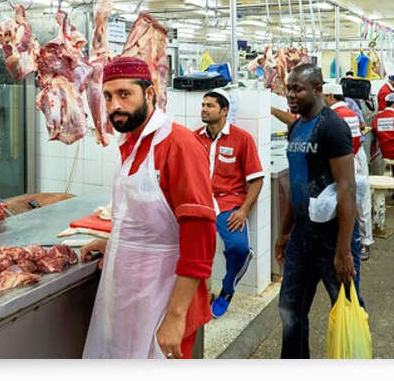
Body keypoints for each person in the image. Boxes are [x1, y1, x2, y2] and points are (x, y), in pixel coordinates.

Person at [80, 56, 217, 359]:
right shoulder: (130, 143)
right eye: (108, 96)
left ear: (150, 94)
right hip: (125, 289)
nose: (114, 105)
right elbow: (141, 219)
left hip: (164, 293)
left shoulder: (178, 144)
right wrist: (114, 243)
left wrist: (176, 315)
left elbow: (200, 239)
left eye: (124, 94)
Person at [275, 64, 362, 359]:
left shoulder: (332, 126)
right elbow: (297, 185)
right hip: (301, 237)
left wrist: (343, 251)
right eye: (288, 88)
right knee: (290, 306)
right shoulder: (296, 127)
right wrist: (285, 232)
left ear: (317, 90)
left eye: (297, 89)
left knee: (347, 305)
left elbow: (347, 190)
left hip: (332, 237)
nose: (290, 94)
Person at [195, 89, 265, 319]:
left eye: (210, 105)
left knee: (240, 248)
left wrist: (244, 210)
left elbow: (256, 179)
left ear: (224, 111)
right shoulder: (194, 138)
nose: (204, 109)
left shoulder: (241, 138)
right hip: (200, 202)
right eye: (203, 105)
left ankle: (227, 290)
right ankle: (194, 296)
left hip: (228, 204)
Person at [323, 82, 372, 260]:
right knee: (359, 201)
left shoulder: (335, 115)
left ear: (330, 96)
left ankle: (360, 242)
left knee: (353, 202)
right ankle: (364, 241)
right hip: (354, 156)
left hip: (348, 161)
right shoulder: (350, 112)